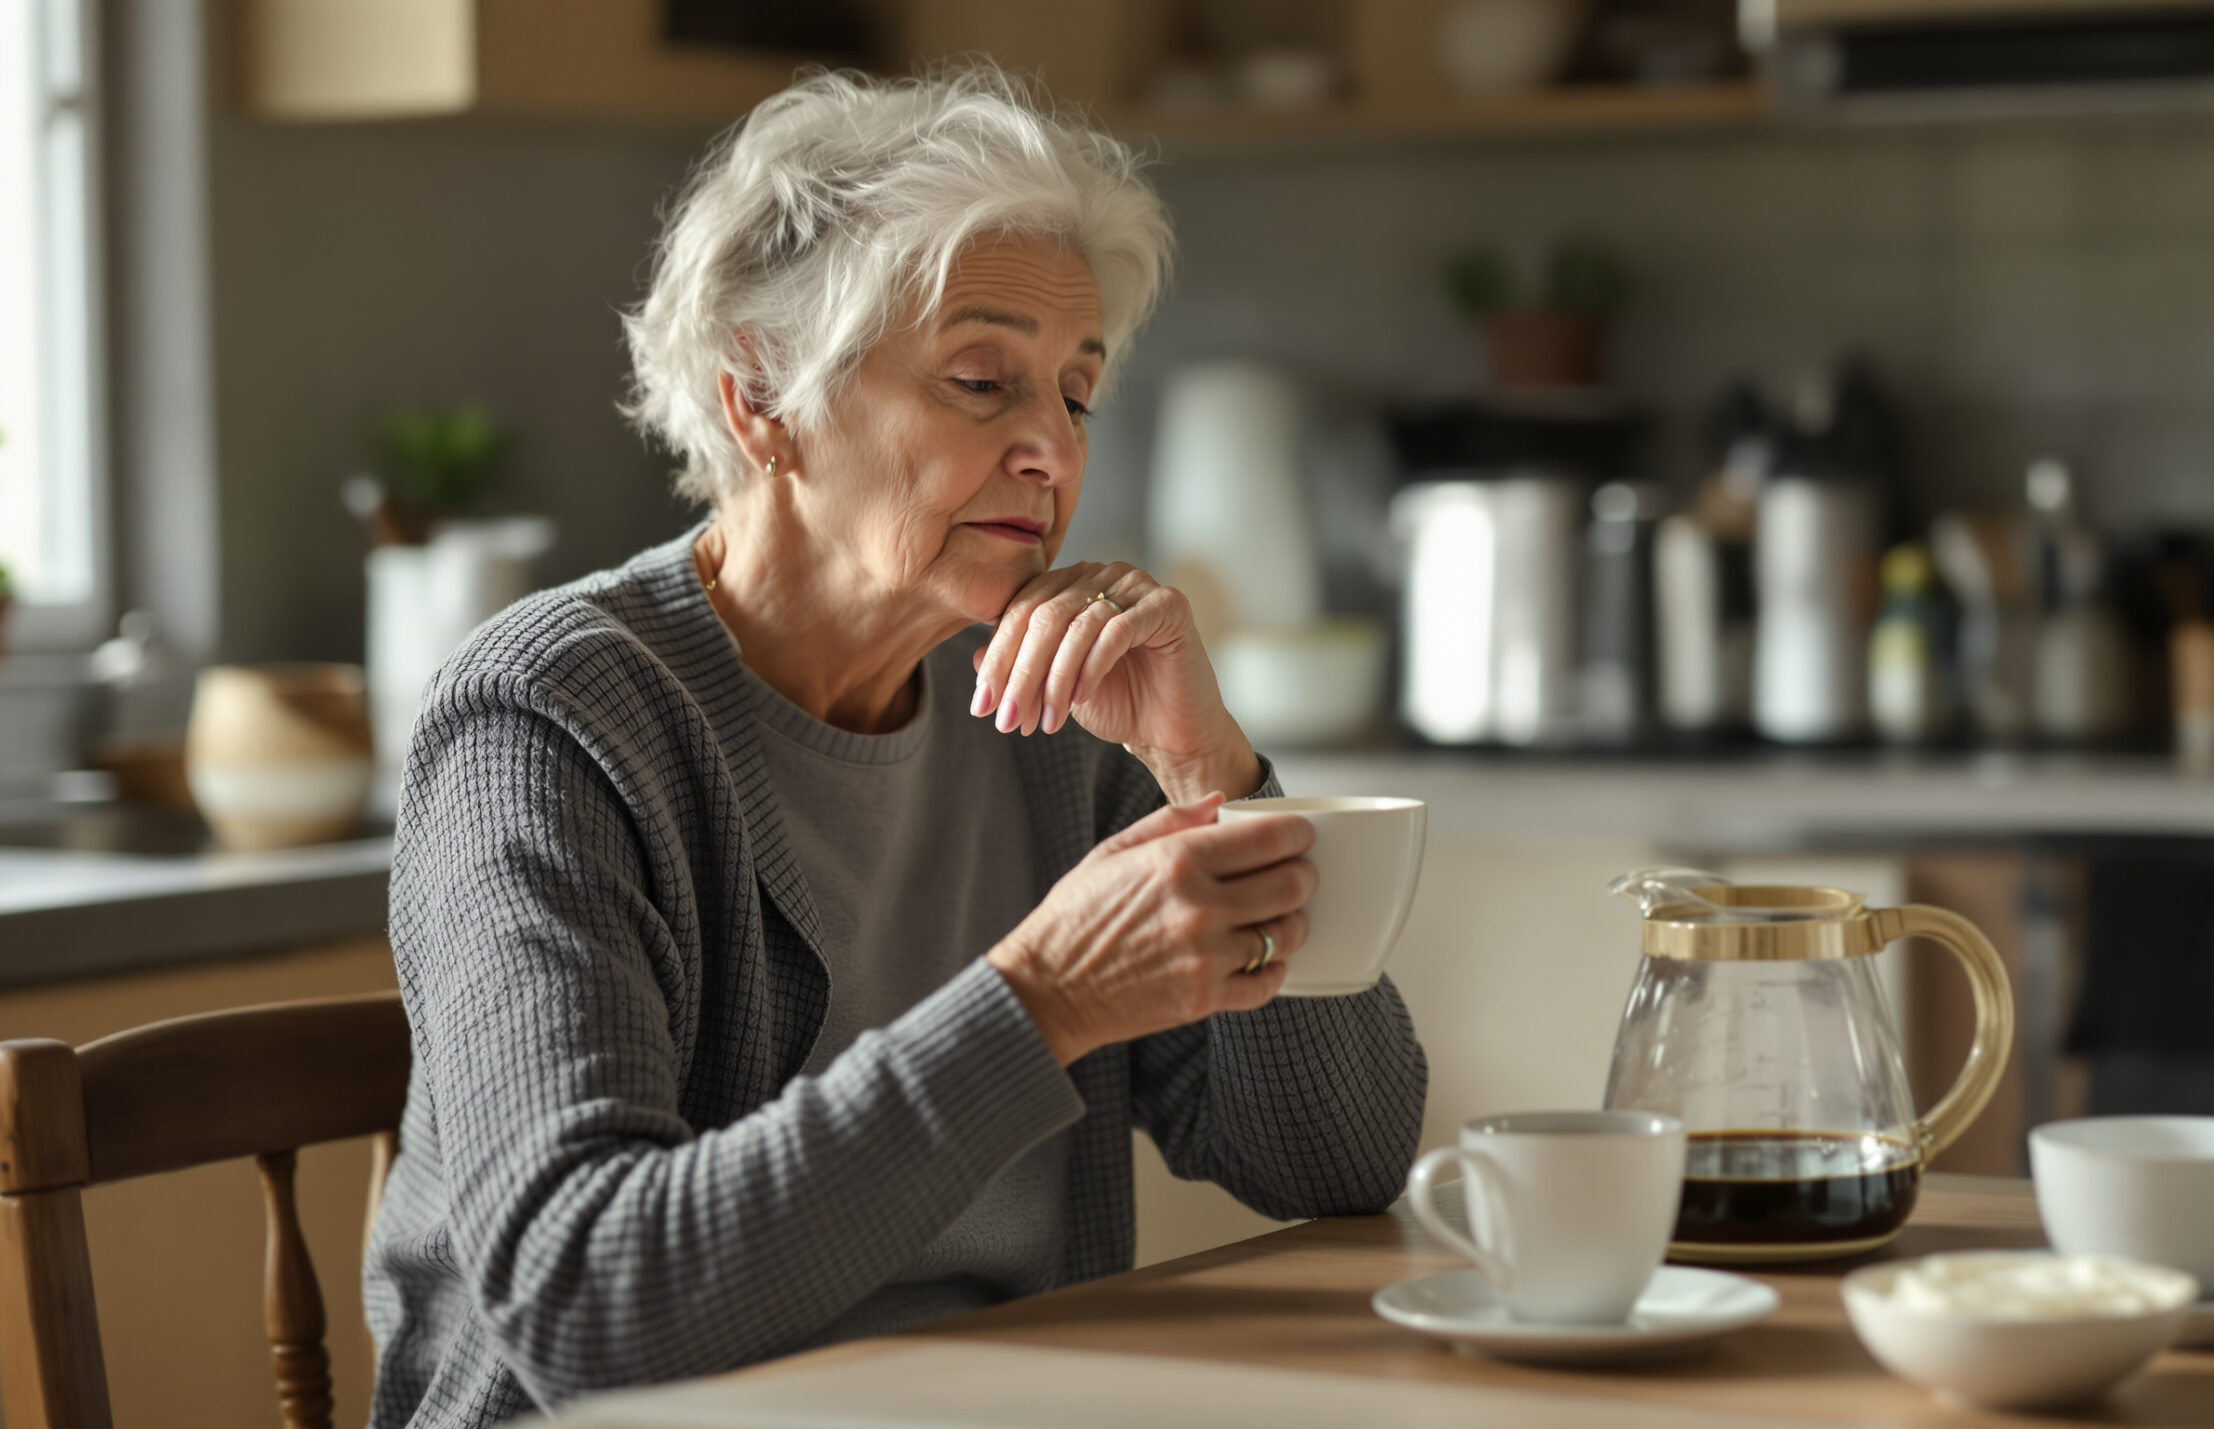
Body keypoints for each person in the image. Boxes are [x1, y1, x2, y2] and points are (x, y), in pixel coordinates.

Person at [363, 67, 1429, 1429]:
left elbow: (1336, 1160)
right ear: (763, 399)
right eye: (982, 380)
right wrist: (1041, 1002)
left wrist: (1214, 782)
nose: (1051, 446)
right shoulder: (551, 721)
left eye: (1078, 392)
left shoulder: (1056, 708)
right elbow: (586, 1298)